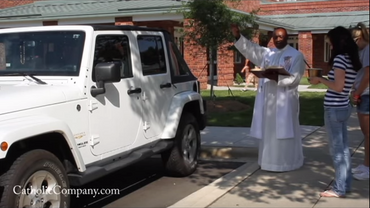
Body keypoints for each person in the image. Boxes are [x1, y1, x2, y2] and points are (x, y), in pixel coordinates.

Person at [231, 25, 306, 172]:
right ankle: (268, 162)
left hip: (285, 100)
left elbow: (295, 78)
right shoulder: (268, 53)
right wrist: (238, 36)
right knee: (269, 131)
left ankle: (287, 163)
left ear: (287, 37)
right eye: (275, 37)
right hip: (268, 100)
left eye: (281, 36)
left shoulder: (296, 55)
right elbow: (251, 49)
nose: (278, 39)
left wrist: (276, 77)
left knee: (285, 131)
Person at [309, 26, 362, 198]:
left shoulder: (340, 59)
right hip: (343, 107)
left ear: (338, 42)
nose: (330, 46)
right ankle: (345, 185)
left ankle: (339, 189)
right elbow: (346, 85)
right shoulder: (351, 59)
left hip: (334, 107)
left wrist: (320, 79)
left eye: (330, 43)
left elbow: (338, 87)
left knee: (338, 151)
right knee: (344, 149)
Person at [349, 22, 369, 181]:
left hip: (367, 95)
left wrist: (357, 94)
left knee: (368, 133)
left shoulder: (368, 49)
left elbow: (368, 75)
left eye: (355, 41)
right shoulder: (363, 50)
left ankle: (367, 167)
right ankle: (366, 164)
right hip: (364, 94)